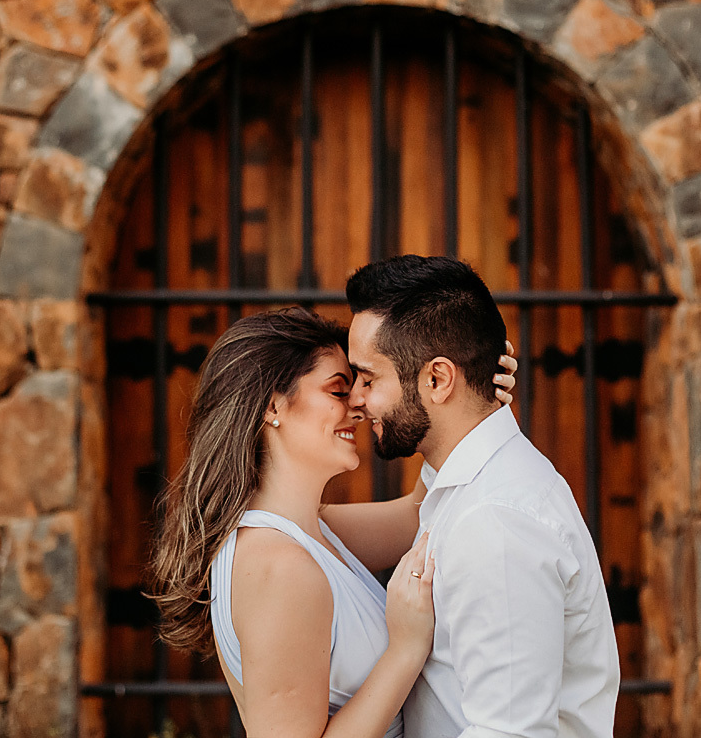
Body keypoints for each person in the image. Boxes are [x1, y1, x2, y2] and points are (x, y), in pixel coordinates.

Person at [151, 307, 517, 737]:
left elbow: (422, 512)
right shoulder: (278, 567)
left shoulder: (314, 532)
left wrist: (471, 399)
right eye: (337, 390)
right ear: (273, 405)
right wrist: (404, 649)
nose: (359, 406)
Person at [343, 254, 620, 738]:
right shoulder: (464, 485)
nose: (356, 400)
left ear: (437, 379)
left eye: (369, 379)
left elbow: (511, 733)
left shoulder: (495, 521)